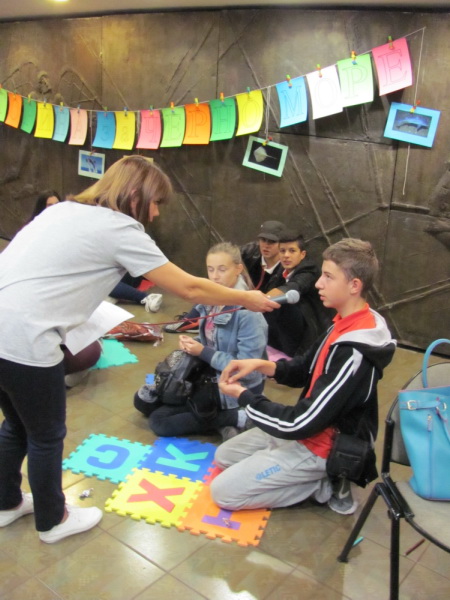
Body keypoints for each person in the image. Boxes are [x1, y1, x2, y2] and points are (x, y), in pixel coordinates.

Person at [0, 155, 278, 544]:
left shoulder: (63, 210)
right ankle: (52, 520)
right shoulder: (119, 227)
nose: (156, 212)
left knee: (16, 423)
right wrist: (247, 298)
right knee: (46, 436)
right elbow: (189, 287)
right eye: (155, 202)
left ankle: (7, 502)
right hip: (26, 341)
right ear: (134, 195)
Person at [210, 238, 396, 515]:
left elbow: (300, 422)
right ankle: (284, 466)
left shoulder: (354, 351)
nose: (318, 283)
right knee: (224, 456)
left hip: (321, 445)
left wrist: (245, 397)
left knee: (223, 493)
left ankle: (324, 483)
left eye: (328, 277)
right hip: (304, 430)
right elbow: (303, 368)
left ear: (354, 285)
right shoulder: (343, 322)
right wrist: (260, 365)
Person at [135, 242, 268, 441]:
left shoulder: (249, 314)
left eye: (222, 270)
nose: (215, 276)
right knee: (142, 401)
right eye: (210, 270)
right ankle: (218, 420)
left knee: (159, 421)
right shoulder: (211, 299)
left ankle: (237, 417)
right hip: (207, 373)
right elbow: (212, 339)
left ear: (238, 269)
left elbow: (247, 369)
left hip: (233, 385)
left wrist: (202, 351)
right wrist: (192, 344)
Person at [163, 220, 285, 334]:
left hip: (265, 314)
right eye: (263, 240)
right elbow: (228, 255)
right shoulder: (251, 250)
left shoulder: (288, 267)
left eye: (271, 242)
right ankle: (193, 320)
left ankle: (196, 321)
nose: (266, 245)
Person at [264, 231, 333, 357]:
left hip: (312, 332)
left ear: (302, 254)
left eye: (292, 251)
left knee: (283, 303)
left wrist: (257, 301)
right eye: (282, 251)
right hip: (288, 333)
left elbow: (293, 287)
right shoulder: (281, 269)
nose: (286, 255)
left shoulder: (309, 269)